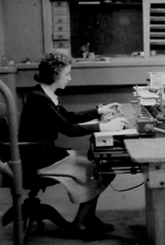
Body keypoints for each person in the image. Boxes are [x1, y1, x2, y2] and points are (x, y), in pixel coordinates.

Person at [17, 51, 127, 238]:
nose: (70, 78)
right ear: (54, 75)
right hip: (37, 158)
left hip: (41, 152)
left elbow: (68, 117)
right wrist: (104, 127)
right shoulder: (40, 99)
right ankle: (82, 224)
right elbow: (69, 129)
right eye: (67, 74)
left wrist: (99, 110)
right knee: (98, 168)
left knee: (100, 165)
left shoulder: (43, 93)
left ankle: (87, 219)